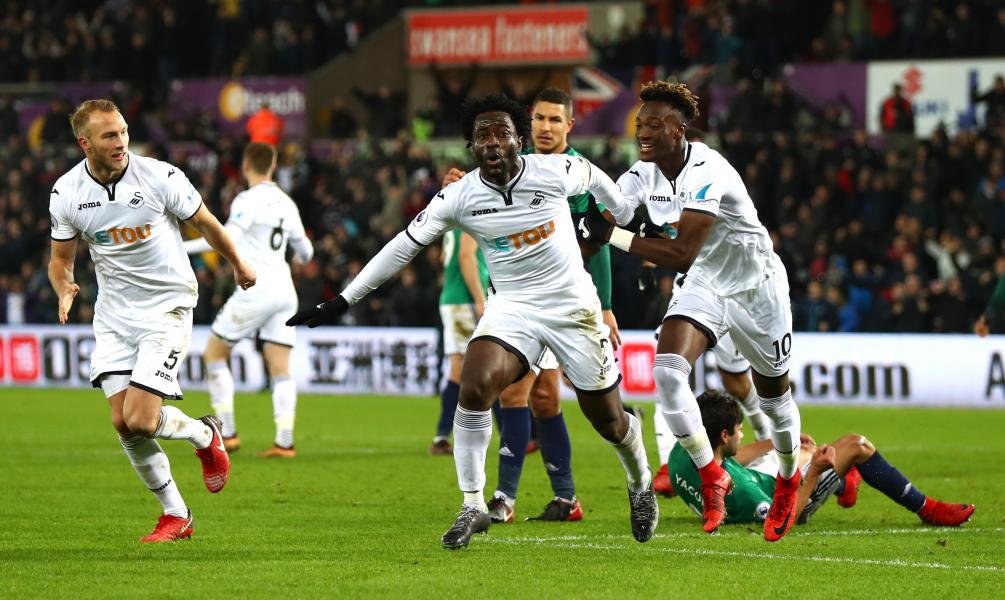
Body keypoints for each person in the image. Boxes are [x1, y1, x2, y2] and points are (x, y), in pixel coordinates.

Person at [287, 93, 657, 550]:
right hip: (512, 308)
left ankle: (640, 481)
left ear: (519, 139)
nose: (493, 141)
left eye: (502, 132)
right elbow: (402, 246)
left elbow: (600, 183)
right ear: (471, 145)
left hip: (571, 305)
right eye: (483, 135)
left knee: (609, 421)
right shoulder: (460, 196)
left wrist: (626, 216)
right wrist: (344, 299)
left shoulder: (555, 170)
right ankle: (472, 504)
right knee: (476, 384)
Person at [583, 81, 803, 541]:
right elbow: (605, 219)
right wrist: (581, 227)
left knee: (774, 399)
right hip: (706, 282)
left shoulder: (708, 168)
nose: (643, 132)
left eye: (655, 124)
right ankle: (711, 475)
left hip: (755, 287)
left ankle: (787, 479)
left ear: (679, 130)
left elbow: (681, 251)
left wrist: (612, 236)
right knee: (667, 372)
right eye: (640, 124)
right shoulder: (641, 173)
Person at [48, 99, 257, 542]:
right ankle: (176, 514)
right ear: (85, 143)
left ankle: (204, 434)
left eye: (123, 131)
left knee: (142, 420)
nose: (121, 141)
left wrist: (238, 263)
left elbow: (207, 223)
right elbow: (60, 260)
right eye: (109, 135)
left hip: (166, 306)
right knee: (122, 423)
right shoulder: (67, 193)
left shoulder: (160, 177)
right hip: (113, 316)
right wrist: (64, 286)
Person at [441, 88, 620, 523]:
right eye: (539, 118)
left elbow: (601, 240)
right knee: (533, 395)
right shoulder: (510, 166)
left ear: (569, 126)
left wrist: (606, 304)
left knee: (538, 396)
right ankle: (543, 498)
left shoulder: (572, 173)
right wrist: (458, 189)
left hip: (566, 302)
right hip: (518, 302)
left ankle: (526, 497)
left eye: (555, 120)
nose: (545, 127)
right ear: (526, 125)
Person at [669, 389, 976, 528]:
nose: (742, 434)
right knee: (856, 445)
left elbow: (737, 457)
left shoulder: (681, 454)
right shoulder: (745, 495)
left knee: (799, 449)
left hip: (762, 477)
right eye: (738, 430)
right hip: (790, 495)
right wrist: (814, 472)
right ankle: (927, 508)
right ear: (724, 435)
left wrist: (778, 442)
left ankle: (844, 482)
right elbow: (785, 519)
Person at [183, 142, 313, 457]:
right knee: (280, 367)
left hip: (257, 288)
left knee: (214, 354)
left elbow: (226, 238)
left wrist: (180, 248)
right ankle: (284, 442)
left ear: (246, 165)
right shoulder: (287, 202)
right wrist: (295, 256)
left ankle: (227, 434)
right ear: (273, 165)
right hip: (285, 291)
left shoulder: (247, 200)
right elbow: (307, 251)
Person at [651, 274, 773, 497]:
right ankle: (667, 467)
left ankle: (767, 440)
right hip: (690, 289)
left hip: (731, 291)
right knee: (668, 374)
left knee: (736, 384)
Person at [431, 228, 489, 455]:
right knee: (482, 368)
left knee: (459, 370)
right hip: (465, 302)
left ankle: (441, 436)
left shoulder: (452, 224)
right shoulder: (469, 220)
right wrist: (479, 298)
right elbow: (465, 256)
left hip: (452, 299)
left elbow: (443, 257)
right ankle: (511, 435)